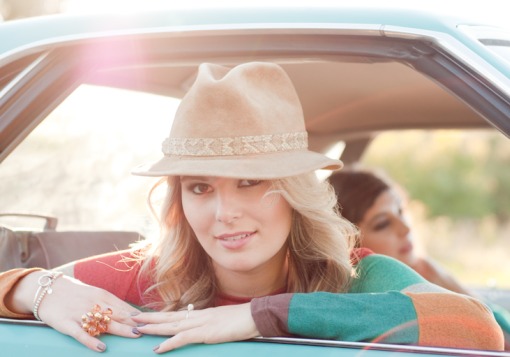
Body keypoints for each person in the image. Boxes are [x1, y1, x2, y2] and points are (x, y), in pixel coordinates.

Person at [0, 62, 504, 354]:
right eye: (199, 188)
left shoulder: (358, 276)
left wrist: (264, 316)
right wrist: (37, 288)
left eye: (250, 181)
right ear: (180, 201)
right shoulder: (151, 274)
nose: (224, 212)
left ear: (294, 191)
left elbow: (478, 329)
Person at [328, 167, 510, 350]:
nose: (405, 228)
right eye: (382, 224)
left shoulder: (427, 274)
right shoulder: (380, 311)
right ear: (349, 243)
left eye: (401, 211)